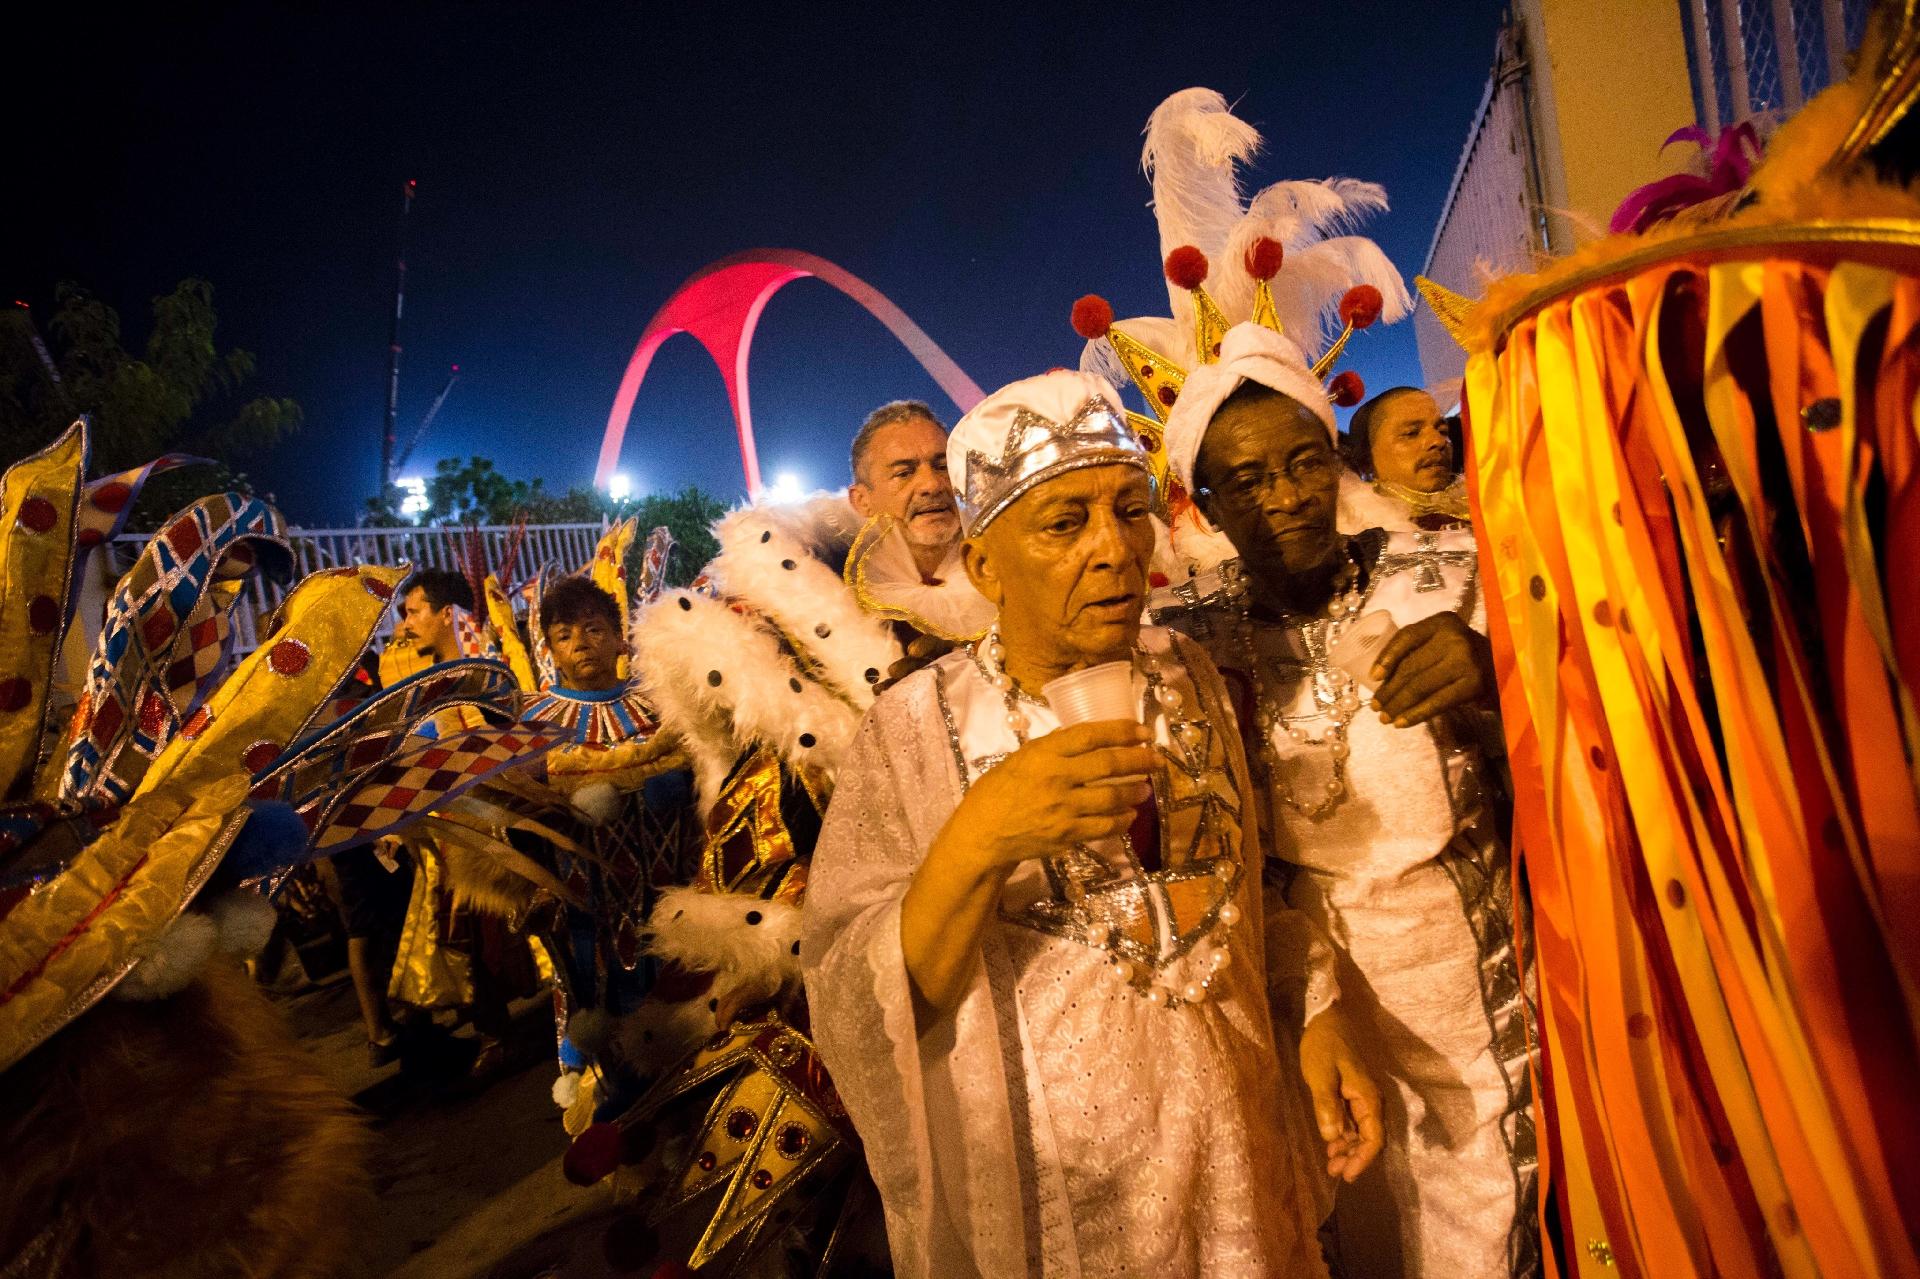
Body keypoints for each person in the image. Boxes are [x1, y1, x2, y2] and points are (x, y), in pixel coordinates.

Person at [803, 369, 1380, 1279]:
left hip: (1238, 1175)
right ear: (986, 567)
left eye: (1129, 508)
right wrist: (979, 836)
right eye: (1066, 523)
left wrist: (1314, 1011)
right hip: (1067, 1213)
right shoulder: (914, 729)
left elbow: (1233, 896)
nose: (1116, 549)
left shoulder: (1187, 671)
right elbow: (854, 1003)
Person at [1157, 322, 1535, 1279]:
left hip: (1472, 981)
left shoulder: (1450, 575)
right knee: (1350, 1225)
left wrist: (1499, 670)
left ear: (1337, 460)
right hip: (1306, 991)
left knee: (1488, 1226)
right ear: (1203, 504)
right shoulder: (1190, 648)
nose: (1283, 497)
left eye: (1302, 462)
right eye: (1244, 481)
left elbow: (1591, 724)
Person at [1338, 387, 1470, 533]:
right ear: (1366, 461)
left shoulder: (1484, 510)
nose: (1438, 441)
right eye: (1411, 433)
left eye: (1443, 431)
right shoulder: (1355, 539)